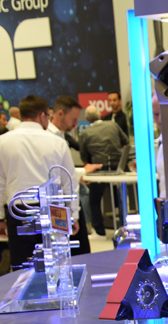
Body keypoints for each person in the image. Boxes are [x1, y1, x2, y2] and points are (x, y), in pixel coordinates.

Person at [0, 95, 79, 270]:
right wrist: (73, 214)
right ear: (41, 115)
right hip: (53, 209)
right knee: (57, 265)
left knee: (23, 266)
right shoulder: (58, 142)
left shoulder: (1, 142)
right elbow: (69, 182)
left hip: (19, 210)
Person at [48, 96, 101, 243]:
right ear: (60, 114)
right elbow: (57, 174)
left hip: (66, 200)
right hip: (58, 201)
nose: (75, 124)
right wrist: (83, 171)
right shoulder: (49, 139)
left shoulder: (61, 136)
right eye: (73, 119)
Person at [79, 105, 128, 235]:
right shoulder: (113, 125)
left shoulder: (85, 133)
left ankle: (100, 231)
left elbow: (84, 158)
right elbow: (126, 142)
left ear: (86, 118)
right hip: (119, 168)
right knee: (122, 197)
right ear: (100, 114)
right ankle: (125, 225)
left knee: (94, 200)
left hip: (99, 170)